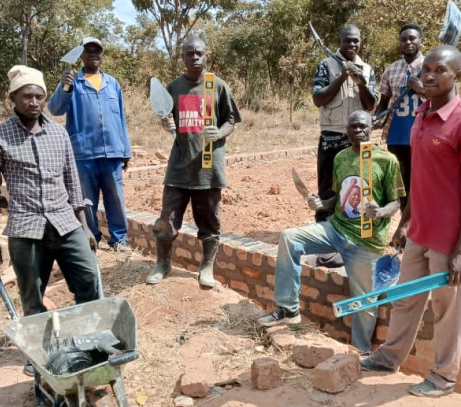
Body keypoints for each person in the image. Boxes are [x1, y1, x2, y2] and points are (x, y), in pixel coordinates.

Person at [359, 46, 461, 398]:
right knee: (406, 299)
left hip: (448, 239)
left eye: (439, 70)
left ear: (457, 75)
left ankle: (444, 378)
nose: (429, 76)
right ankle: (389, 357)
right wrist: (405, 223)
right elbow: (419, 177)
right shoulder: (422, 114)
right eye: (426, 69)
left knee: (445, 310)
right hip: (419, 230)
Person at [0, 65, 100, 376]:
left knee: (88, 281)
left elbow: (74, 183)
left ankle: (84, 344)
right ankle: (42, 357)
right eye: (26, 96)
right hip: (25, 226)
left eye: (39, 96)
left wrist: (85, 226)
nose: (33, 102)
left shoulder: (59, 134)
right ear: (13, 99)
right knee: (32, 297)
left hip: (65, 221)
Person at [258, 110, 404, 354]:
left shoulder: (387, 160)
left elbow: (396, 202)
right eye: (353, 127)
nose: (358, 131)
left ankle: (361, 353)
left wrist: (379, 212)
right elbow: (339, 197)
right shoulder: (341, 158)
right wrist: (322, 204)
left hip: (366, 242)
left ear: (372, 128)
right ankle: (288, 309)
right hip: (336, 229)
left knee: (365, 304)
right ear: (346, 131)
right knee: (289, 238)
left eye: (362, 126)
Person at [146, 36, 242, 288]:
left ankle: (206, 267)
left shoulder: (217, 86)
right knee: (165, 224)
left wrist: (219, 133)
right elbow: (167, 118)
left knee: (210, 224)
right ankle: (162, 264)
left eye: (199, 53)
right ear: (183, 57)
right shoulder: (174, 87)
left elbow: (230, 120)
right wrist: (166, 124)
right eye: (190, 53)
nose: (195, 57)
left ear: (206, 55)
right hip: (179, 167)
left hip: (208, 169)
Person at [48, 36, 133, 252]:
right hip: (83, 152)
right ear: (81, 55)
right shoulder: (72, 81)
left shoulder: (112, 83)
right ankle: (91, 237)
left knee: (116, 197)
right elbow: (55, 109)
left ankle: (119, 239)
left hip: (112, 151)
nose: (93, 54)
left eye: (97, 51)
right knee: (87, 200)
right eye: (89, 51)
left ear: (102, 56)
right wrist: (64, 86)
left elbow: (121, 118)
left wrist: (125, 150)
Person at [311, 24, 378, 268]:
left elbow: (370, 105)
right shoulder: (326, 65)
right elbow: (318, 99)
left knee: (356, 192)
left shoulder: (368, 69)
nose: (352, 45)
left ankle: (353, 244)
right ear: (339, 40)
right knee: (328, 194)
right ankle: (324, 245)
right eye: (347, 41)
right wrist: (342, 76)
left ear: (360, 42)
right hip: (331, 138)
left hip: (359, 140)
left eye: (356, 41)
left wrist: (359, 79)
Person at [373, 24, 425, 212]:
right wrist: (378, 117)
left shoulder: (431, 66)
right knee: (402, 184)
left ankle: (423, 230)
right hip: (397, 136)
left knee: (424, 182)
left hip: (424, 135)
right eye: (404, 39)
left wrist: (421, 88)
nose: (408, 42)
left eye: (412, 38)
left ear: (421, 41)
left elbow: (442, 99)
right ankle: (406, 229)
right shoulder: (391, 69)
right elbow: (384, 101)